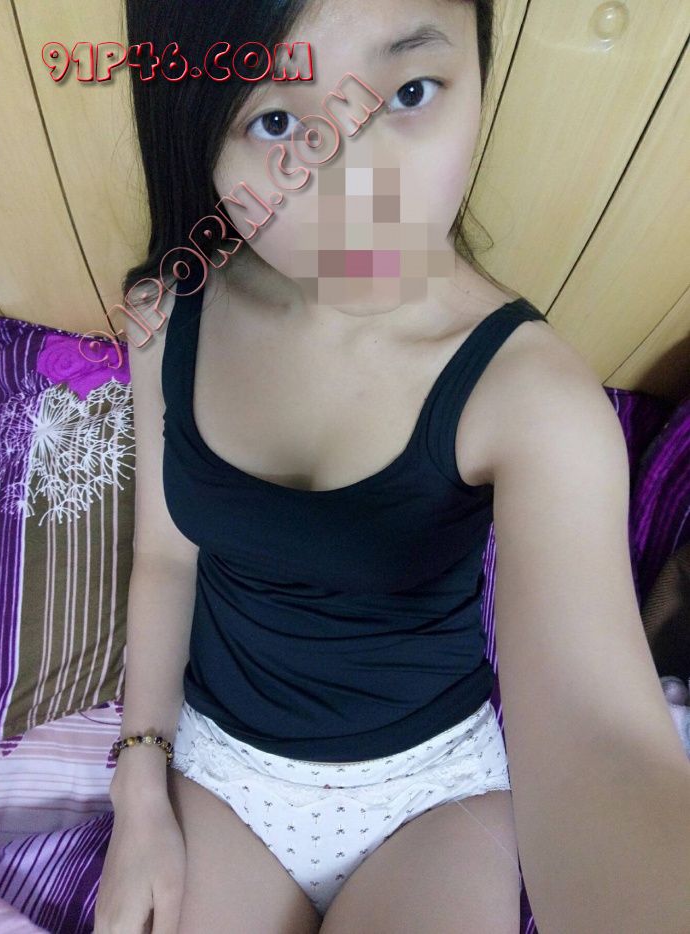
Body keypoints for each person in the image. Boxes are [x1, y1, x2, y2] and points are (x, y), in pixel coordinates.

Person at [95, 1, 690, 932]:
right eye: (277, 120)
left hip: (433, 799)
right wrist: (138, 794)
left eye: (410, 92)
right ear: (199, 131)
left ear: (479, 76)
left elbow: (600, 735)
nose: (360, 191)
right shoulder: (169, 314)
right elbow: (168, 559)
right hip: (220, 773)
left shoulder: (531, 398)